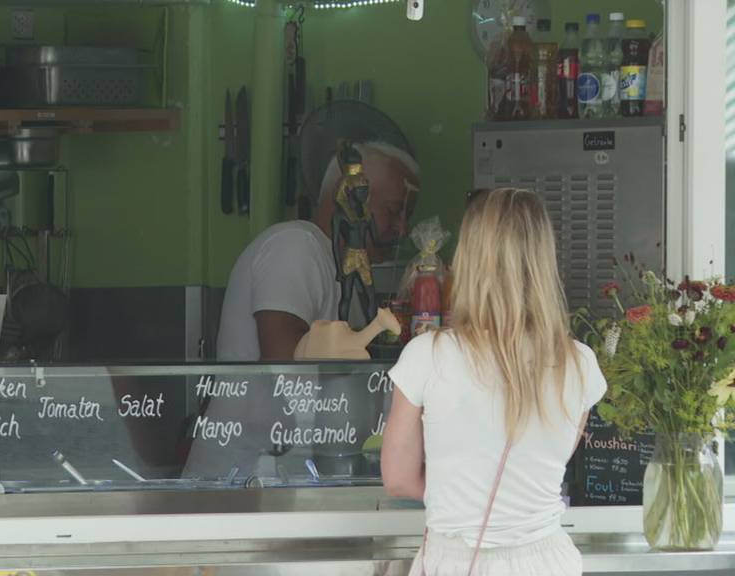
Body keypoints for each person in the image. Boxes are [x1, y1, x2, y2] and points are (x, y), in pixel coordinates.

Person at [380, 188, 606, 576]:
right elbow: (546, 464)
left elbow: (398, 480)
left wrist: (456, 495)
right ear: (543, 260)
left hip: (456, 561)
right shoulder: (579, 363)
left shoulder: (427, 356)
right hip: (547, 561)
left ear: (469, 259)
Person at [216, 141, 421, 361]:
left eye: (406, 217)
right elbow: (285, 364)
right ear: (347, 198)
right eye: (393, 211)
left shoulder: (344, 271)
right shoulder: (295, 246)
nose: (403, 230)